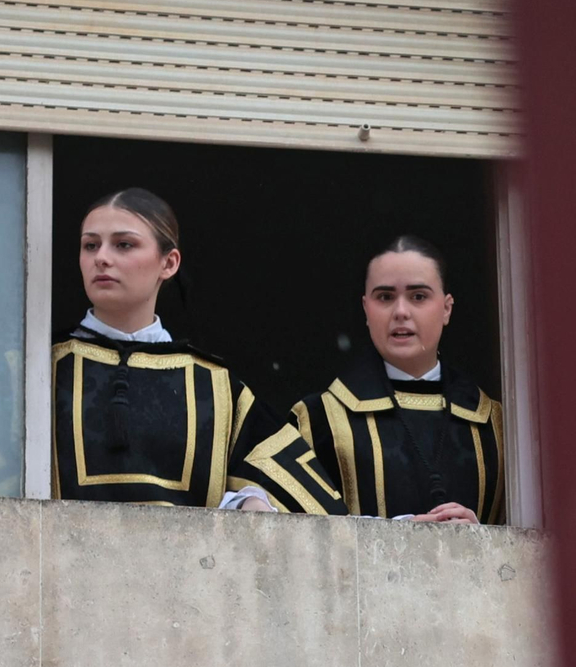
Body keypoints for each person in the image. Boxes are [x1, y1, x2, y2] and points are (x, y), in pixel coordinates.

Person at [51, 188, 343, 514]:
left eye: (124, 244)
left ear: (169, 263)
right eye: (90, 245)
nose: (101, 257)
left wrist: (250, 500)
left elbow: (318, 513)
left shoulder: (216, 387)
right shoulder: (38, 369)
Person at [292, 235, 505, 524]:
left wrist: (483, 542)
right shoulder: (319, 421)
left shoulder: (498, 426)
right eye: (385, 297)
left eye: (418, 296)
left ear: (446, 308)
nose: (401, 312)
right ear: (366, 309)